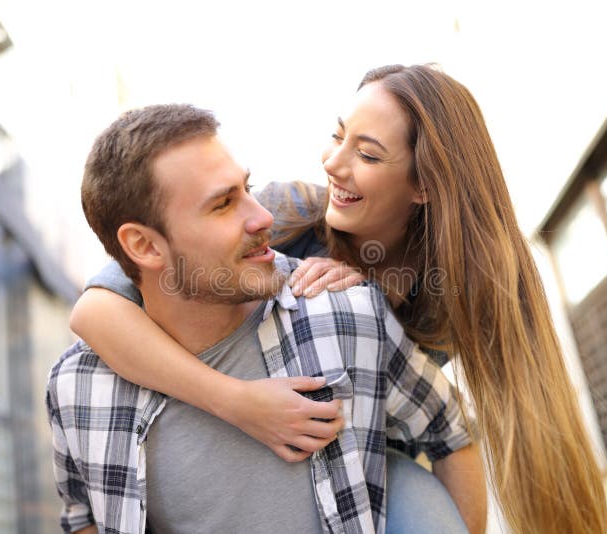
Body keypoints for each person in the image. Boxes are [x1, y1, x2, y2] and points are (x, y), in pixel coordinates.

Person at [71, 64, 607, 533]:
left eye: (367, 154)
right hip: (280, 433)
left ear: (425, 186)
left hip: (378, 455)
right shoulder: (285, 212)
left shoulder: (457, 288)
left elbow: (456, 425)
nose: (332, 162)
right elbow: (94, 312)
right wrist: (235, 401)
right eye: (339, 135)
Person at [47, 103, 480, 534]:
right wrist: (233, 399)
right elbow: (83, 515)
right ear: (143, 245)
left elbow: (452, 432)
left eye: (247, 189)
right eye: (222, 203)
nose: (263, 216)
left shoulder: (346, 311)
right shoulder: (77, 387)